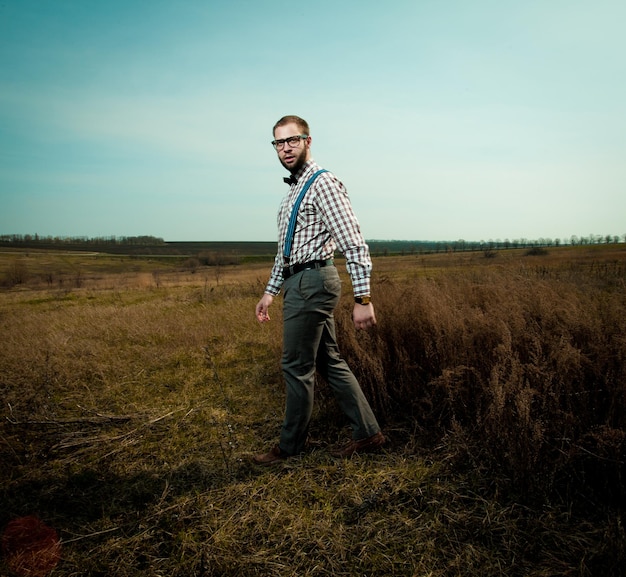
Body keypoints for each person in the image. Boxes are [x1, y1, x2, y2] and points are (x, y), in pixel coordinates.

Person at [253, 115, 385, 465]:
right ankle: (369, 432)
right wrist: (270, 292)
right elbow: (286, 253)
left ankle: (289, 447)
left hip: (312, 283)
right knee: (329, 360)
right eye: (279, 143)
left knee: (295, 366)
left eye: (292, 141)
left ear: (308, 141)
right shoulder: (293, 191)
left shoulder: (322, 183)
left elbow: (353, 243)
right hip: (299, 281)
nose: (285, 148)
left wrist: (363, 298)